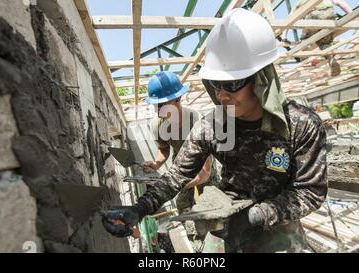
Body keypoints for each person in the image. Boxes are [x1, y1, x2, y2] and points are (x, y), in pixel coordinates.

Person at [103, 9, 327, 253]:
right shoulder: (212, 128)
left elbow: (309, 192)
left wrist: (258, 215)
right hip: (226, 217)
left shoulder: (301, 125)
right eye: (215, 85)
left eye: (231, 84)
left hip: (278, 223)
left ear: (261, 78)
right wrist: (139, 209)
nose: (222, 95)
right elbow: (177, 176)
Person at [141, 71, 214, 212]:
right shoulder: (157, 125)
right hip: (181, 162)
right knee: (183, 206)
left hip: (204, 159)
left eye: (163, 105)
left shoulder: (198, 122)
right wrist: (156, 164)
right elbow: (164, 149)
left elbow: (205, 171)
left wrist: (193, 181)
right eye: (156, 105)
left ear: (178, 99)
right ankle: (194, 234)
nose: (159, 111)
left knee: (212, 206)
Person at [281, 0, 353, 76]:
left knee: (305, 41)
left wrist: (284, 36)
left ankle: (304, 63)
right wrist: (352, 15)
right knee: (325, 41)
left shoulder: (300, 2)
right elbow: (339, 3)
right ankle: (330, 58)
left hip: (313, 18)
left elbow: (290, 18)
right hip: (329, 17)